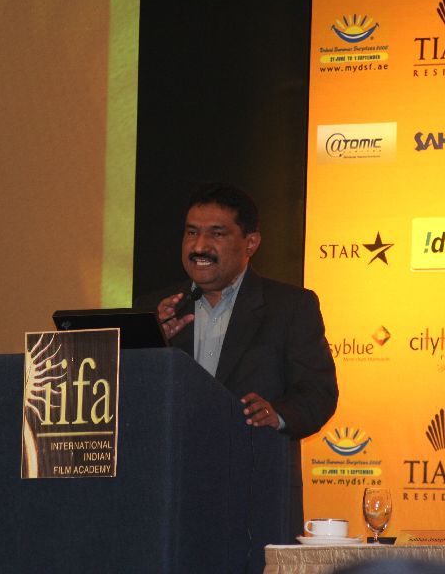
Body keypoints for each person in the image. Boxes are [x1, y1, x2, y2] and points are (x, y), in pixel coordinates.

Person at [135, 182, 338, 537]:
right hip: (170, 497)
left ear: (251, 243)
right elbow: (129, 401)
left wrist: (276, 414)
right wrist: (151, 344)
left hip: (256, 493)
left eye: (217, 234)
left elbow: (319, 393)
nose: (200, 247)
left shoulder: (290, 307)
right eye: (191, 233)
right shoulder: (156, 310)